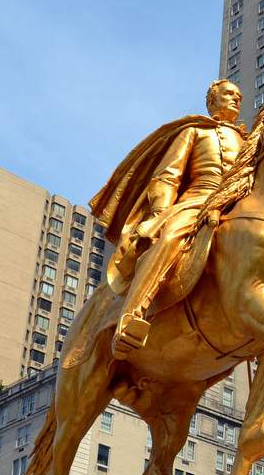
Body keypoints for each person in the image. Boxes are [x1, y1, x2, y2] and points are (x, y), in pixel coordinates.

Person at [89, 80, 245, 358]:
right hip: (198, 200)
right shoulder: (194, 131)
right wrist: (161, 213)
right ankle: (132, 315)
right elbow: (167, 175)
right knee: (170, 237)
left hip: (237, 204)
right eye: (229, 94)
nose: (236, 99)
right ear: (212, 102)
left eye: (239, 96)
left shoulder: (249, 140)